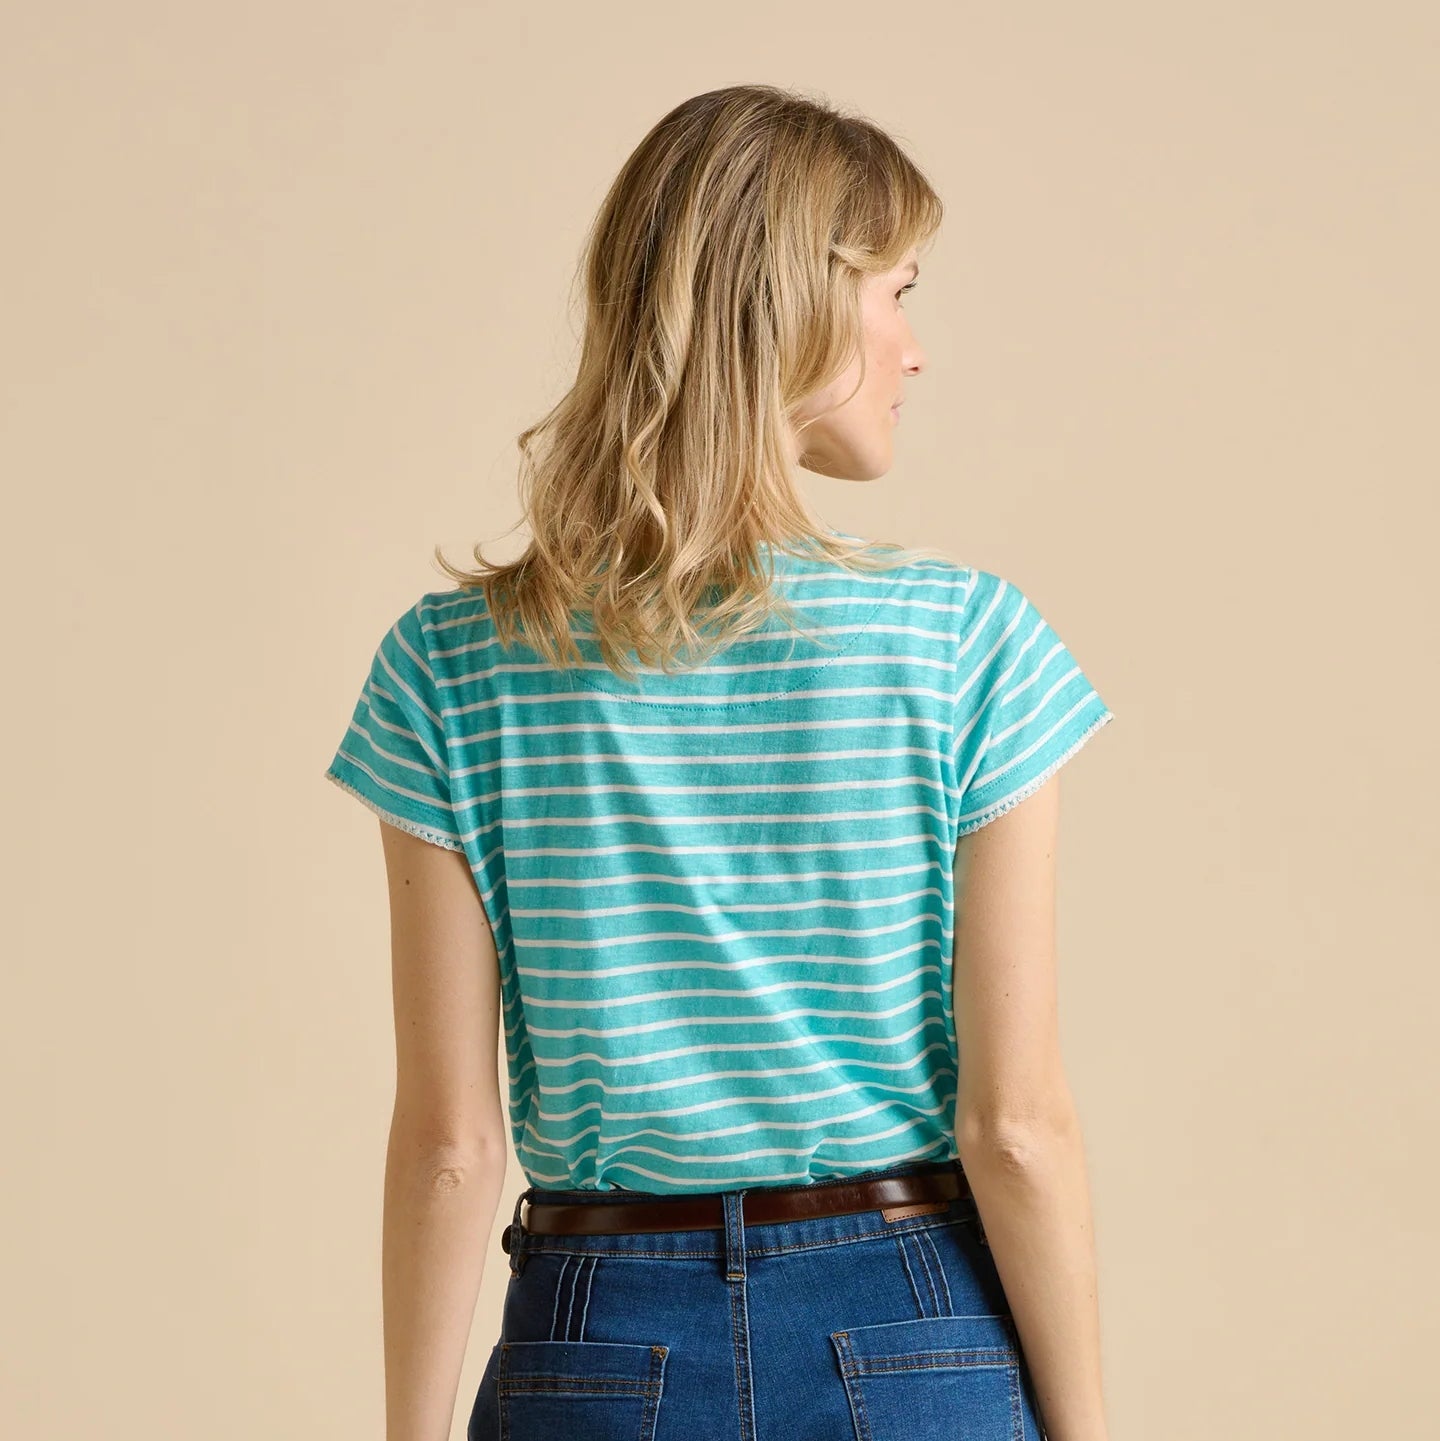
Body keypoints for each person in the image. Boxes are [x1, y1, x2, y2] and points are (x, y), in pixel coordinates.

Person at [323, 83, 1114, 1441]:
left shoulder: (448, 667)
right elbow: (1017, 1125)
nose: (914, 350)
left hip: (600, 1333)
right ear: (802, 304)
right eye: (898, 290)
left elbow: (454, 1143)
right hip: (909, 1318)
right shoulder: (971, 642)